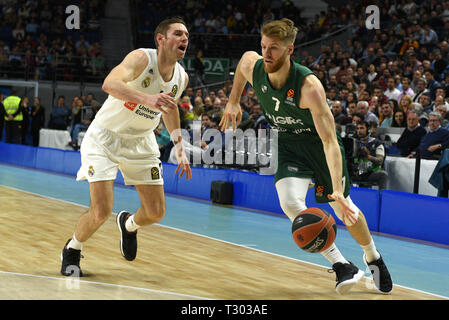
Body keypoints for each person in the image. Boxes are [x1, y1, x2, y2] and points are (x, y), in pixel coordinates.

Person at [219, 18, 392, 294]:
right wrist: (233, 100)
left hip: (319, 147)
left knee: (344, 208)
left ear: (290, 49)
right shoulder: (256, 66)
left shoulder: (309, 87)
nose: (266, 53)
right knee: (289, 202)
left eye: (273, 48)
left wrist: (336, 189)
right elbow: (243, 62)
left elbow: (330, 141)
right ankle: (341, 265)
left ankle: (372, 257)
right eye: (263, 46)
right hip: (288, 145)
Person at [60, 17, 192, 277]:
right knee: (100, 211)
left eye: (186, 34)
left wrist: (179, 145)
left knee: (156, 212)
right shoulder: (142, 58)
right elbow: (109, 84)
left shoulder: (181, 76)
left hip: (142, 141)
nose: (184, 38)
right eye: (178, 33)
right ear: (161, 39)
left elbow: (169, 108)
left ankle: (129, 225)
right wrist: (148, 98)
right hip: (104, 138)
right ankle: (73, 247)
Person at [350, 121, 389, 191]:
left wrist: (368, 156)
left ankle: (382, 197)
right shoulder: (353, 142)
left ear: (368, 130)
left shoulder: (377, 143)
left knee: (383, 174)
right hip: (356, 173)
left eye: (361, 128)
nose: (359, 131)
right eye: (357, 128)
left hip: (371, 173)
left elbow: (380, 161)